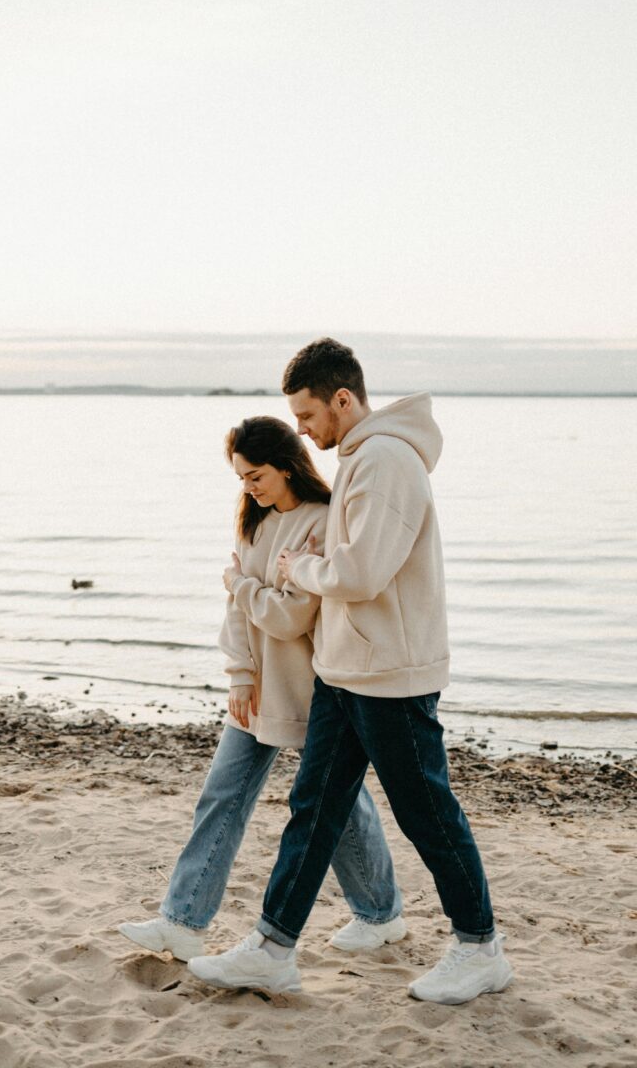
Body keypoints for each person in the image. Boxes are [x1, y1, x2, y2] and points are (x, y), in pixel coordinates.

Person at [188, 340, 513, 1004]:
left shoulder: (387, 461)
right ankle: (274, 948)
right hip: (343, 672)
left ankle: (481, 948)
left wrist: (292, 569)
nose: (302, 432)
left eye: (308, 416)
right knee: (313, 811)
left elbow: (360, 574)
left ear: (343, 399)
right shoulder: (365, 459)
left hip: (389, 675)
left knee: (427, 813)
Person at [118, 415, 404, 968]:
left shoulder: (322, 523)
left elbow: (293, 617)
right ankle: (182, 923)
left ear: (287, 466)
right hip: (256, 691)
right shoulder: (253, 522)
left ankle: (380, 913)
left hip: (310, 689)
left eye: (255, 475)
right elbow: (240, 614)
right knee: (222, 796)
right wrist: (240, 674)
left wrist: (241, 584)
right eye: (241, 477)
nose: (247, 486)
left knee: (338, 806)